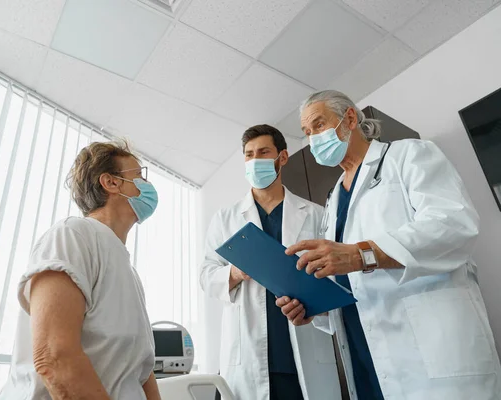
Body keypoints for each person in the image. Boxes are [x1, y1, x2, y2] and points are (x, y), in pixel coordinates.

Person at [277, 90, 501, 399]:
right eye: (307, 132)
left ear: (350, 119)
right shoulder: (332, 201)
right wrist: (314, 307)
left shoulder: (409, 155)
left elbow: (455, 224)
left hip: (432, 355)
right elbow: (347, 280)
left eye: (318, 125)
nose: (313, 138)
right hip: (364, 356)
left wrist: (363, 254)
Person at [0, 141, 161, 400]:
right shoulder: (73, 235)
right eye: (139, 176)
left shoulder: (128, 271)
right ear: (111, 182)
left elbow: (140, 371)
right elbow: (53, 357)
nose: (146, 186)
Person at [200, 125, 342, 400]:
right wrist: (237, 271)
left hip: (302, 354)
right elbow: (207, 275)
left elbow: (335, 277)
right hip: (247, 358)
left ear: (282, 157)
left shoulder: (315, 214)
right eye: (249, 155)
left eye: (264, 152)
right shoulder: (226, 218)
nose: (255, 161)